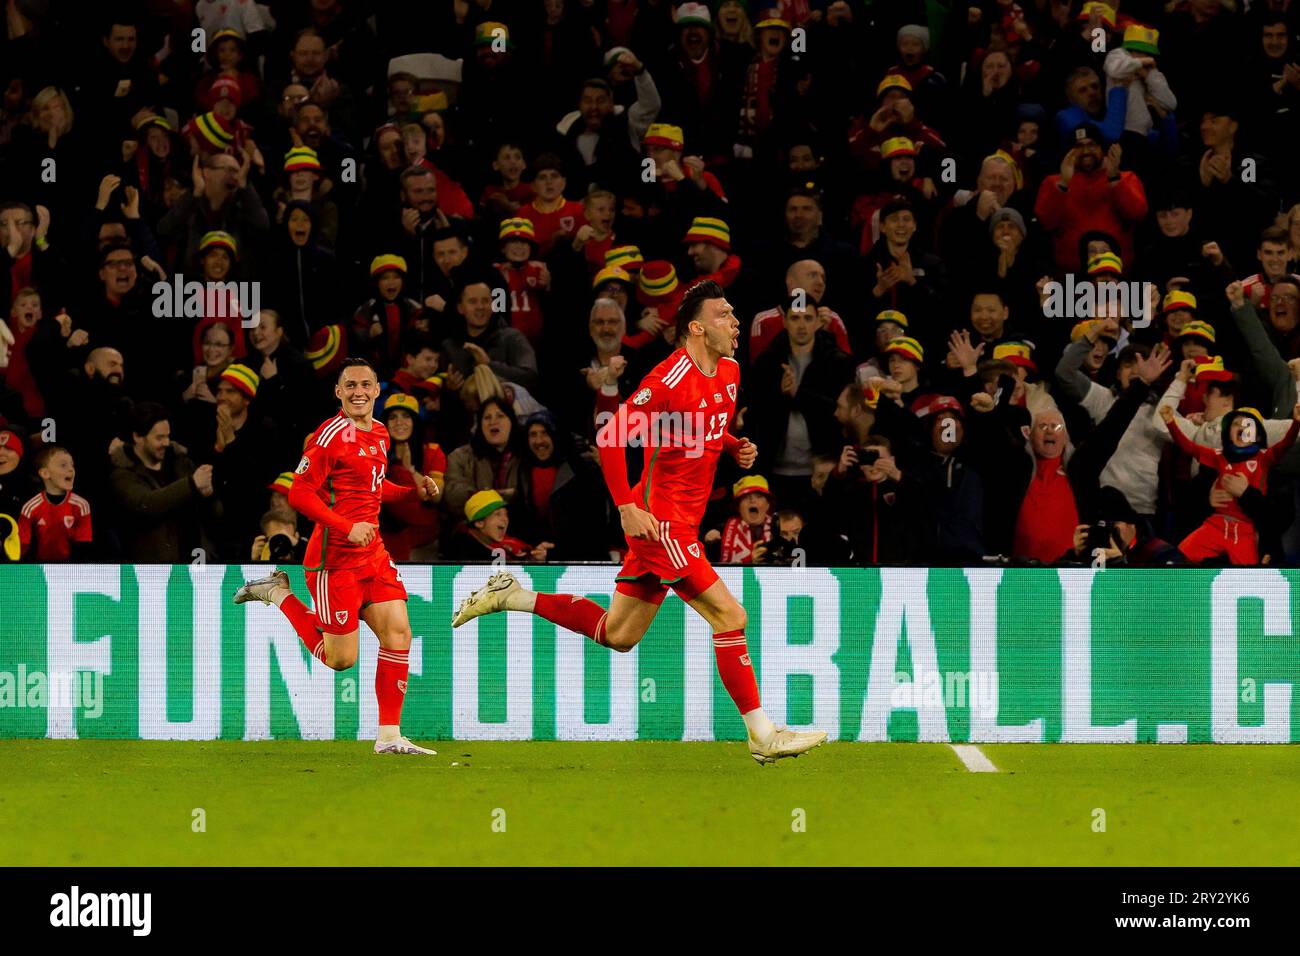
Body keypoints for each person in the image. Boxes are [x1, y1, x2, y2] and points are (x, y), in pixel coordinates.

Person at [451, 280, 827, 765]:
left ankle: (511, 595)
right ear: (696, 327)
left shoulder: (730, 371)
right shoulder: (667, 379)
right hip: (660, 524)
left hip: (680, 526)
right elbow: (611, 438)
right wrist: (628, 505)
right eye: (724, 315)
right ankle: (761, 733)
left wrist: (736, 446)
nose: (735, 323)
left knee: (619, 635)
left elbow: (702, 427)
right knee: (731, 617)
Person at [232, 357, 441, 756]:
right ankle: (278, 594)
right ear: (339, 393)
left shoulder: (379, 433)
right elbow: (298, 493)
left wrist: (413, 491)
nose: (359, 391)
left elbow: (375, 489)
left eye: (366, 384)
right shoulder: (328, 437)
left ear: (377, 391)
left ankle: (389, 735)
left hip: (372, 555)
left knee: (398, 633)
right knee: (340, 659)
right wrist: (346, 527)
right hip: (334, 562)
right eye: (351, 386)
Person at [1159, 401, 1300, 564]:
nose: (1242, 426)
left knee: (1249, 578)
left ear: (1259, 436)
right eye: (1236, 423)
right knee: (1178, 559)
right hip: (1214, 525)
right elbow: (1189, 448)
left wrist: (1297, 422)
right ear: (1227, 433)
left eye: (1249, 424)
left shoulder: (1266, 460)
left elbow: (1286, 444)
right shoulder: (1217, 456)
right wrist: (1170, 423)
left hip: (1245, 532)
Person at [17, 445, 92, 561]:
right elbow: (22, 549)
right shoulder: (29, 507)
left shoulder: (82, 505)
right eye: (63, 465)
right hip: (39, 570)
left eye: (72, 465)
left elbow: (84, 547)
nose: (71, 469)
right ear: (45, 473)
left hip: (72, 571)